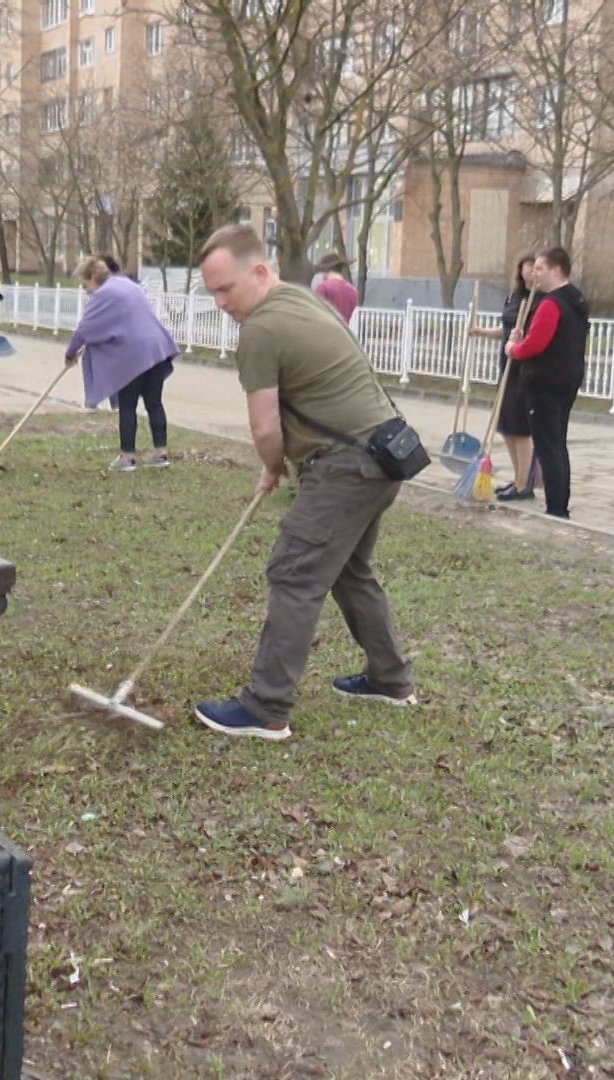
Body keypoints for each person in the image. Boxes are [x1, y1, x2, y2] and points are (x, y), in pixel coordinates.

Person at [190, 225, 416, 741]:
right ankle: (390, 679)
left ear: (261, 271)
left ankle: (265, 707)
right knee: (349, 571)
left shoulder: (261, 330)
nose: (221, 302)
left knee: (294, 573)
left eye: (226, 288)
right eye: (212, 292)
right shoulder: (299, 300)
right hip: (384, 454)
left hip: (346, 466)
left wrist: (272, 467)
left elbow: (265, 426)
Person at [66, 255, 179, 471]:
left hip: (134, 355)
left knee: (127, 405)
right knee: (154, 402)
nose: (85, 289)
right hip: (156, 349)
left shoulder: (103, 294)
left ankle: (127, 457)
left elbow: (85, 329)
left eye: (84, 284)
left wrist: (70, 354)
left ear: (92, 277)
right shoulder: (128, 284)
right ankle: (160, 453)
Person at [504, 246, 588, 519]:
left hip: (545, 384)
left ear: (555, 270)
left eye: (540, 268)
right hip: (567, 379)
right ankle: (559, 502)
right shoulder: (577, 299)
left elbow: (535, 346)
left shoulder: (551, 304)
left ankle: (555, 507)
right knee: (557, 443)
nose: (534, 274)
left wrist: (513, 348)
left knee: (548, 446)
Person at [468, 255, 540, 502]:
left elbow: (536, 335)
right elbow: (507, 328)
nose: (531, 273)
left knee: (521, 428)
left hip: (525, 368)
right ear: (520, 271)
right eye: (527, 268)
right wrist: (482, 332)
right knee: (507, 427)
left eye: (535, 268)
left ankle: (524, 484)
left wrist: (524, 340)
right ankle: (518, 479)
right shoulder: (514, 297)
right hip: (506, 364)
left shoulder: (541, 301)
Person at [311, 252, 359, 323]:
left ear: (326, 269)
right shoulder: (353, 290)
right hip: (343, 331)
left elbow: (315, 314)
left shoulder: (323, 288)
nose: (320, 274)